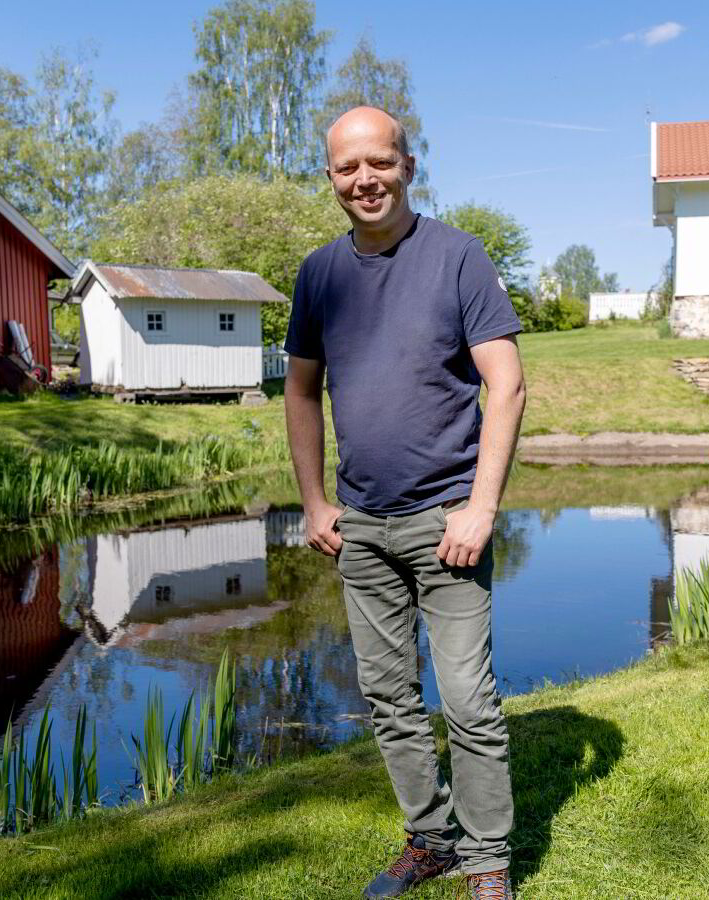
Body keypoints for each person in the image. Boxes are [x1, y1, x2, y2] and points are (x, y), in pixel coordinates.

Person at [283, 106, 526, 900]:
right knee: (390, 701)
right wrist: (315, 503)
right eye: (348, 168)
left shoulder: (458, 257)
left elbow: (507, 382)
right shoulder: (319, 274)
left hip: (446, 523)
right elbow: (300, 391)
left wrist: (480, 508)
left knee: (468, 704)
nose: (365, 179)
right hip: (362, 529)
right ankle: (430, 840)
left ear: (408, 165)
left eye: (379, 162)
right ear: (331, 178)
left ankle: (487, 861)